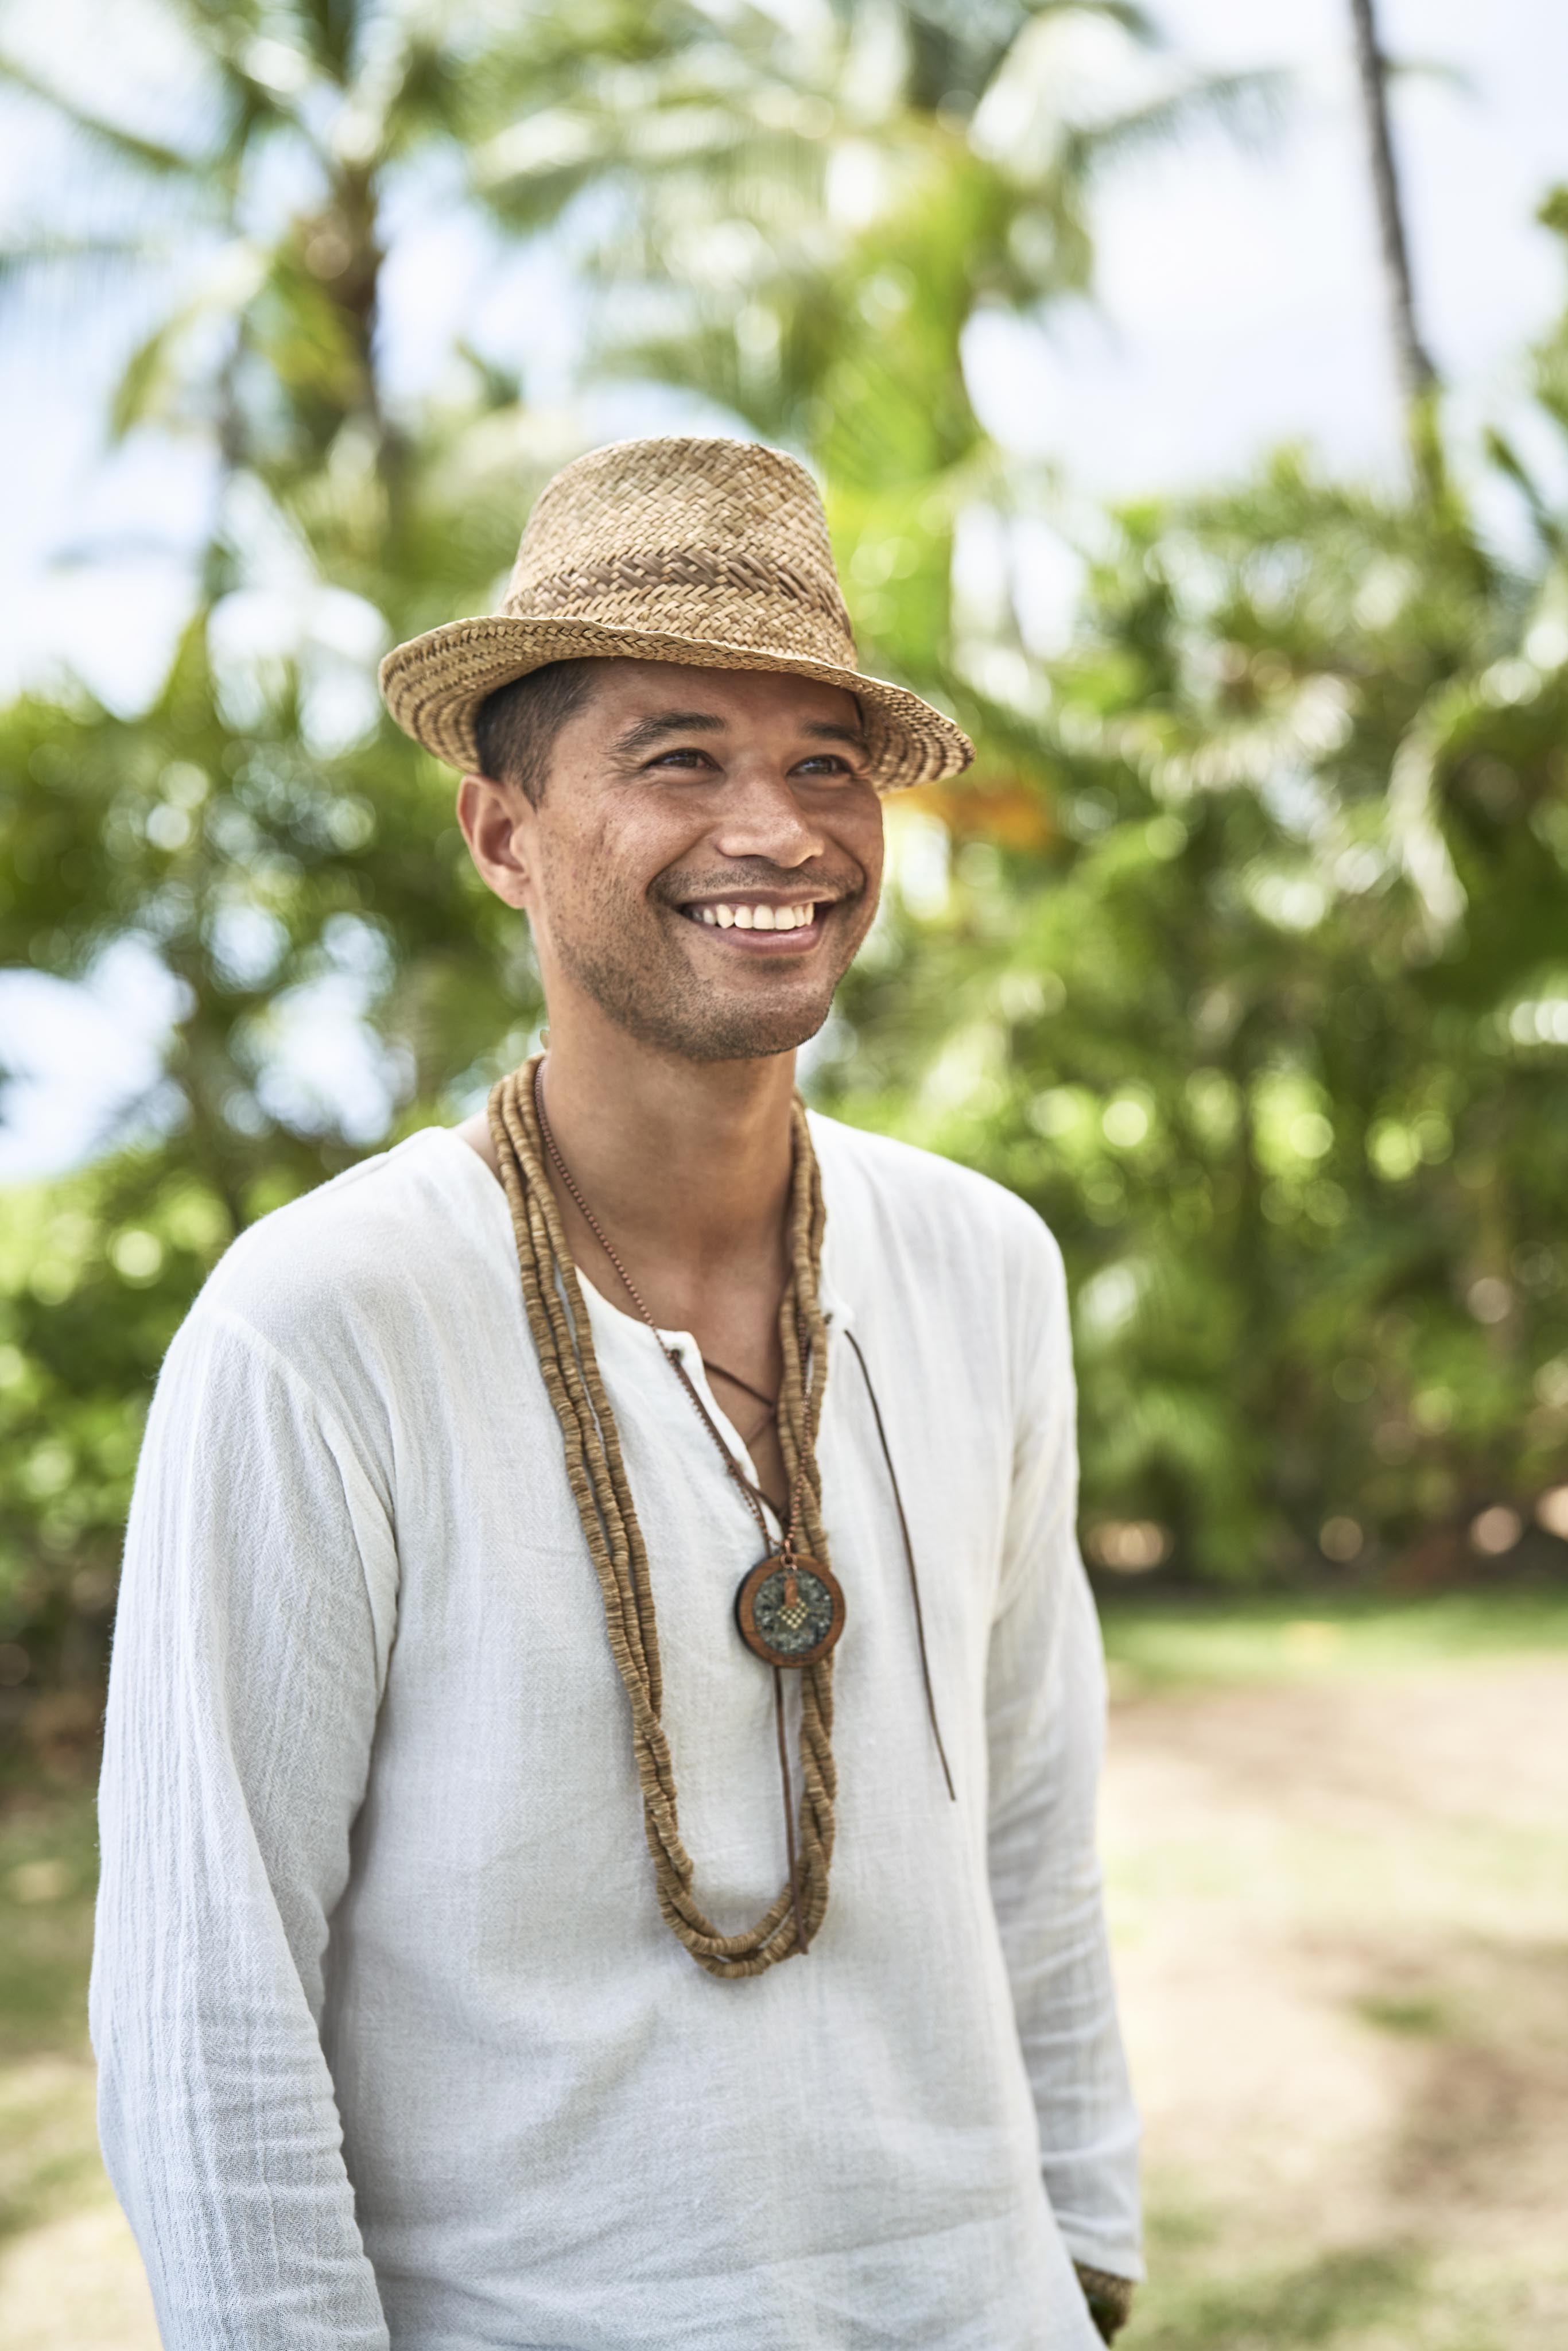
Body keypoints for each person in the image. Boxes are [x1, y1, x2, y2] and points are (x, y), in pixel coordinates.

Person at [91, 436, 1142, 2348]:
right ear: (503, 836)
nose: (779, 831)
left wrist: (1076, 2259)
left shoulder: (981, 1267)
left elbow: (1036, 1825)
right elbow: (207, 1997)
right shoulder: (322, 1323)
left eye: (824, 761)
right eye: (679, 758)